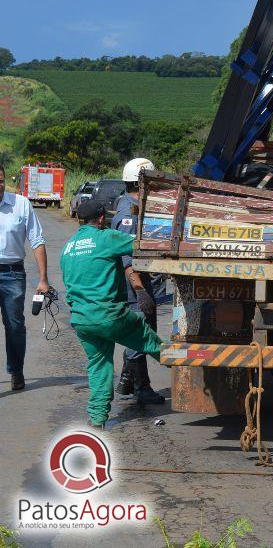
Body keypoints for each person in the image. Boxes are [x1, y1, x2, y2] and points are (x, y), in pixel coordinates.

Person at [61, 198, 166, 428]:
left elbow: (69, 289)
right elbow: (140, 243)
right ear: (101, 219)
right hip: (110, 315)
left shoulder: (68, 248)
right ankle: (182, 362)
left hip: (82, 320)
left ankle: (97, 419)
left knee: (99, 367)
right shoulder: (106, 237)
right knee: (148, 339)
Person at [111, 158, 165, 404]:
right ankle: (141, 387)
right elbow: (126, 257)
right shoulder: (128, 213)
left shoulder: (133, 205)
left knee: (141, 331)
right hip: (134, 284)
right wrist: (140, 290)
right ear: (143, 182)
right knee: (141, 334)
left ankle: (126, 382)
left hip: (139, 282)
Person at [0, 165, 50, 392]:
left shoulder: (21, 204)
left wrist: (43, 279)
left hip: (12, 273)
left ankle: (16, 369)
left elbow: (37, 241)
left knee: (15, 326)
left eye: (0, 180)